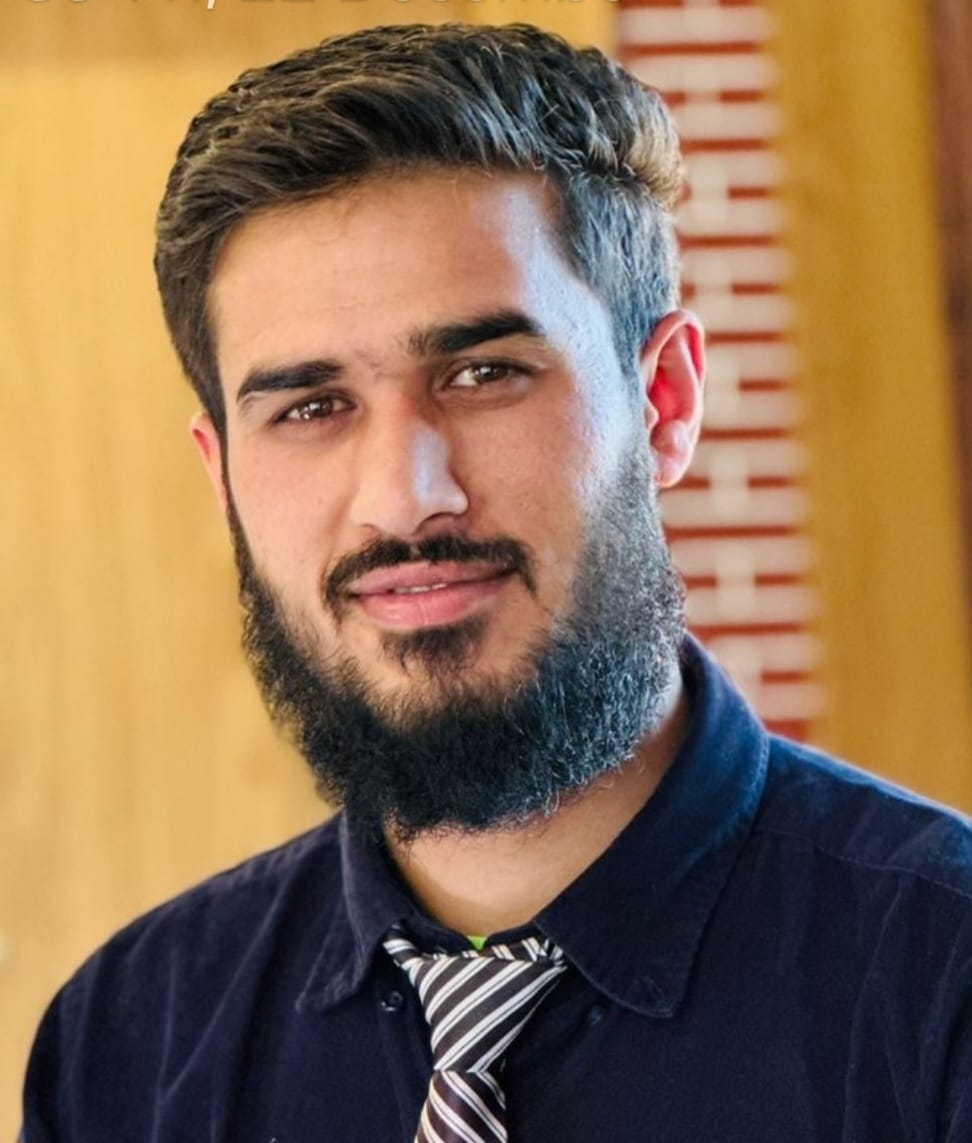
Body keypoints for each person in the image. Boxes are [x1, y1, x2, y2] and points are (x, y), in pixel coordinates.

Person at [21, 22, 972, 1143]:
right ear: (222, 473)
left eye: (483, 374)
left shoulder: (941, 980)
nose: (402, 496)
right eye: (311, 407)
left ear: (663, 403)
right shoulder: (127, 1042)